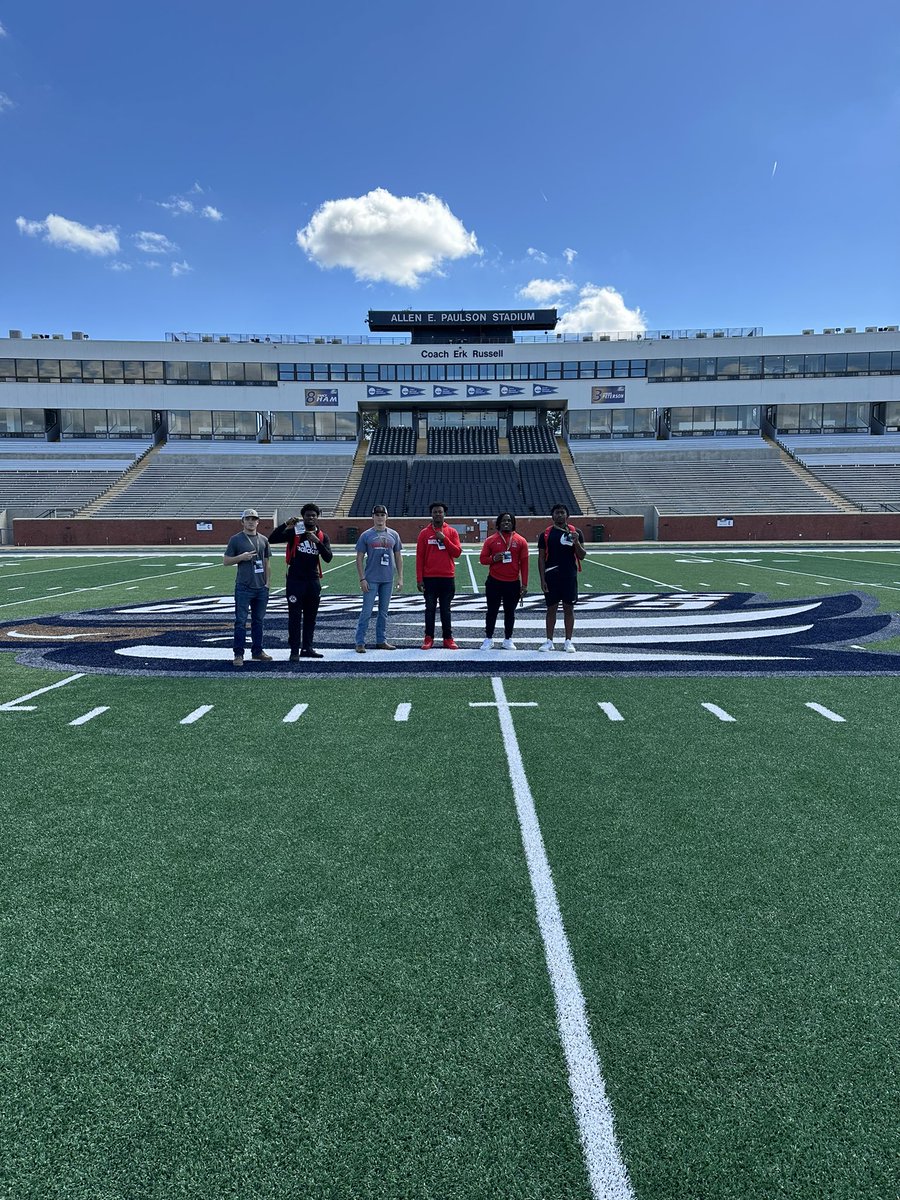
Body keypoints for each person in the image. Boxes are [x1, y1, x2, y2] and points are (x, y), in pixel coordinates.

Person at [269, 503, 333, 660]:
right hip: (295, 581)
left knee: (311, 616)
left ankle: (307, 647)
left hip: (313, 580)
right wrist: (286, 524)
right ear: (303, 517)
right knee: (295, 616)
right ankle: (294, 650)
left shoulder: (322, 536)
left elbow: (328, 558)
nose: (310, 518)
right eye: (307, 515)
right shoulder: (295, 532)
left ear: (317, 517)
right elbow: (272, 539)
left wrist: (317, 542)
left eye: (313, 515)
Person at [223, 508, 272, 667]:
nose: (251, 521)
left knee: (259, 621)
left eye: (254, 518)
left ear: (258, 521)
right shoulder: (236, 539)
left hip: (260, 588)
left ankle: (257, 651)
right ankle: (238, 654)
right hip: (244, 587)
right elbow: (226, 561)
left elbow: (266, 563)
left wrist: (267, 583)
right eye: (248, 518)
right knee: (241, 622)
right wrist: (241, 558)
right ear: (242, 521)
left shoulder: (264, 539)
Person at [537, 503, 586, 653]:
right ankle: (549, 641)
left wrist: (576, 541)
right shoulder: (545, 534)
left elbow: (582, 555)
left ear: (567, 515)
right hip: (551, 576)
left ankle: (568, 641)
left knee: (568, 608)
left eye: (562, 512)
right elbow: (540, 558)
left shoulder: (576, 532)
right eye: (557, 513)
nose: (559, 515)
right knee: (551, 609)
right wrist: (542, 579)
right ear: (552, 516)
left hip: (569, 575)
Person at [354, 505, 403, 652]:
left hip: (388, 579)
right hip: (371, 579)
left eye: (382, 515)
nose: (380, 517)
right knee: (366, 611)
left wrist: (400, 578)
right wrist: (362, 578)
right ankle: (360, 642)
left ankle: (381, 640)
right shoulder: (366, 535)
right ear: (373, 517)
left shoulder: (394, 534)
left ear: (387, 517)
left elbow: (398, 557)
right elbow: (359, 558)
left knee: (383, 612)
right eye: (377, 515)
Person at [478, 511, 529, 650]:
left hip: (512, 583)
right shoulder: (491, 540)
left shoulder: (520, 541)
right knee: (492, 611)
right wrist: (493, 558)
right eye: (504, 521)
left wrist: (524, 584)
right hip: (494, 581)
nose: (506, 523)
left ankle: (508, 638)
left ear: (513, 523)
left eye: (509, 521)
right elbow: (482, 559)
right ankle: (488, 638)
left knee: (510, 612)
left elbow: (524, 563)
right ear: (499, 523)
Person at [415, 501, 462, 649]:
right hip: (430, 578)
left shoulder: (452, 532)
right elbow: (420, 558)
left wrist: (444, 539)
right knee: (429, 609)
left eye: (440, 512)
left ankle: (448, 638)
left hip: (447, 577)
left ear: (444, 514)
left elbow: (457, 553)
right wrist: (419, 579)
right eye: (435, 512)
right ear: (431, 514)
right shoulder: (424, 533)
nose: (437, 514)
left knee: (445, 610)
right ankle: (428, 638)